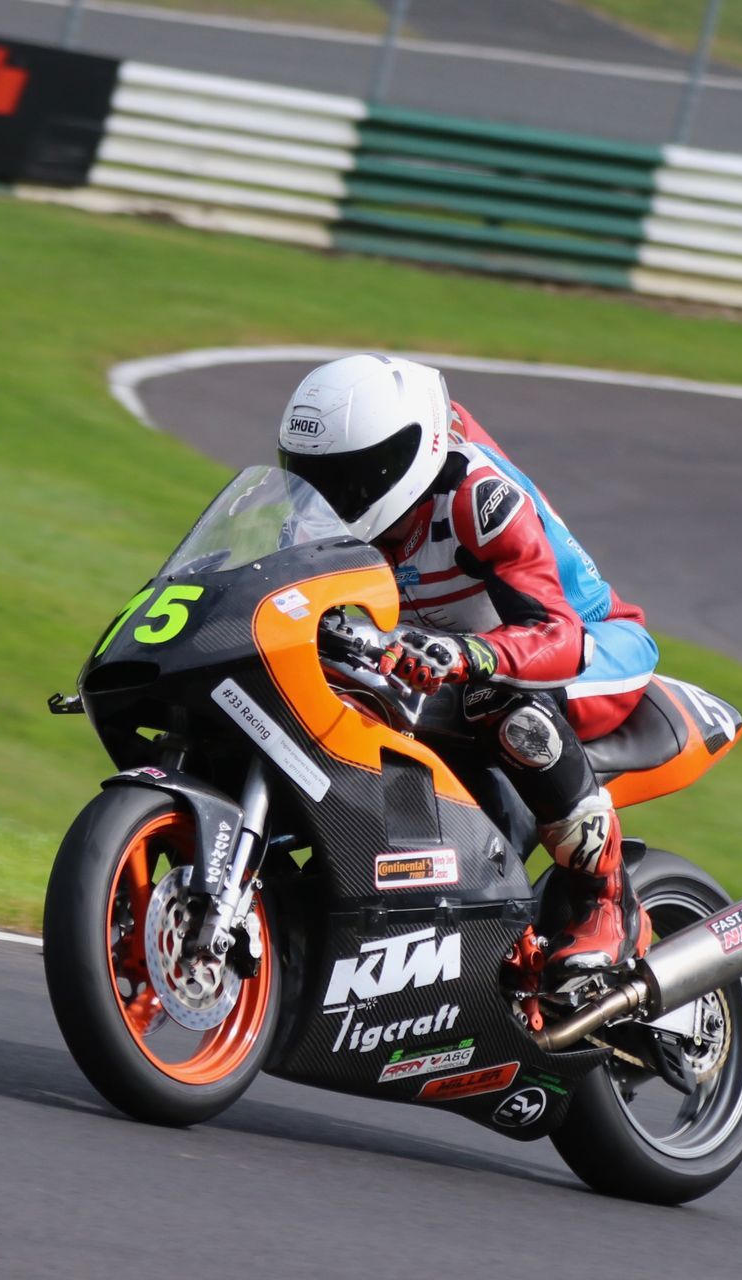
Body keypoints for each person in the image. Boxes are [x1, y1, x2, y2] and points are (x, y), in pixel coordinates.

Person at [277, 353, 657, 987]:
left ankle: (605, 902)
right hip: (451, 655)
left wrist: (474, 655)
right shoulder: (330, 516)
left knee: (504, 706)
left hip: (593, 646)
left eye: (347, 476)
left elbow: (554, 635)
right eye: (312, 476)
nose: (330, 496)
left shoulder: (478, 498)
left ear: (401, 458)